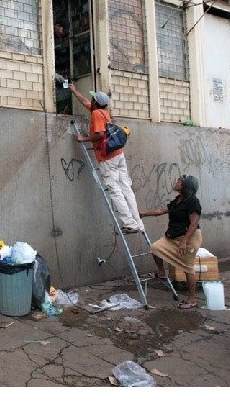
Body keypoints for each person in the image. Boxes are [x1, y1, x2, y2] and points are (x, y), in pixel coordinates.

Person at [69, 84, 144, 234]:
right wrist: (75, 91)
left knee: (115, 190)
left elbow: (100, 134)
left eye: (93, 99)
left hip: (108, 158)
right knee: (126, 189)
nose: (90, 100)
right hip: (118, 155)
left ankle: (130, 223)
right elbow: (85, 102)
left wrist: (84, 138)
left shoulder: (97, 114)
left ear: (96, 102)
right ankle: (138, 223)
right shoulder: (103, 112)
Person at [139, 175, 202, 310]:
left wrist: (184, 242)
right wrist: (143, 214)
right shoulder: (178, 200)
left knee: (188, 268)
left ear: (185, 186)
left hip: (189, 238)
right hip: (173, 236)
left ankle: (192, 299)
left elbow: (193, 224)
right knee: (155, 248)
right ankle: (161, 272)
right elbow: (161, 210)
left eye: (179, 181)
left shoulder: (193, 202)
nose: (176, 182)